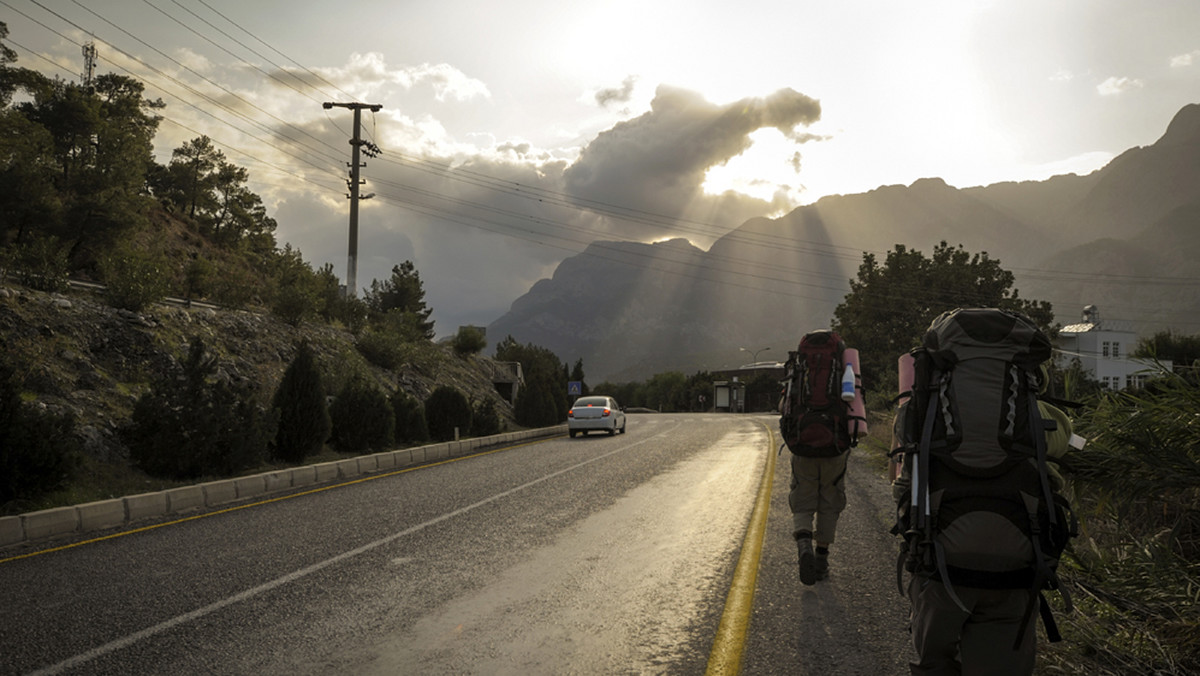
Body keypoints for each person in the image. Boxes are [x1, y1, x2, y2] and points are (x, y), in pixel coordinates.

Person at [789, 448, 849, 585]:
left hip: (803, 452)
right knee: (829, 504)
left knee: (802, 504)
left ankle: (804, 543)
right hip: (835, 452)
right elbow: (858, 430)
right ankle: (821, 560)